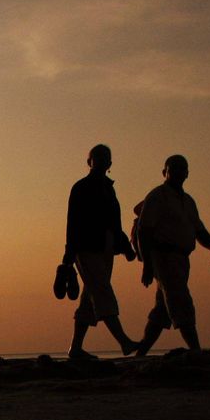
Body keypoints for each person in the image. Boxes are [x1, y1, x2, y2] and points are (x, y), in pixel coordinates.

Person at [133, 155, 210, 355]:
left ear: (187, 173)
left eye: (182, 168)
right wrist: (147, 264)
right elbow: (144, 231)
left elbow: (198, 229)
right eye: (173, 168)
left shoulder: (188, 201)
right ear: (164, 172)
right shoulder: (157, 196)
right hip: (163, 256)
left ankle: (141, 352)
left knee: (163, 310)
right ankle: (196, 350)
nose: (178, 172)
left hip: (182, 258)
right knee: (181, 301)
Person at [62, 144, 138, 361]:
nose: (102, 161)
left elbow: (114, 222)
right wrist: (69, 256)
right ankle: (124, 341)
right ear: (90, 162)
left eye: (106, 158)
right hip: (86, 247)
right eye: (98, 157)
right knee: (103, 291)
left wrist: (125, 247)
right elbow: (73, 223)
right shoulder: (81, 188)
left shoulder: (109, 189)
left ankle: (76, 348)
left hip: (106, 247)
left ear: (110, 163)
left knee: (90, 296)